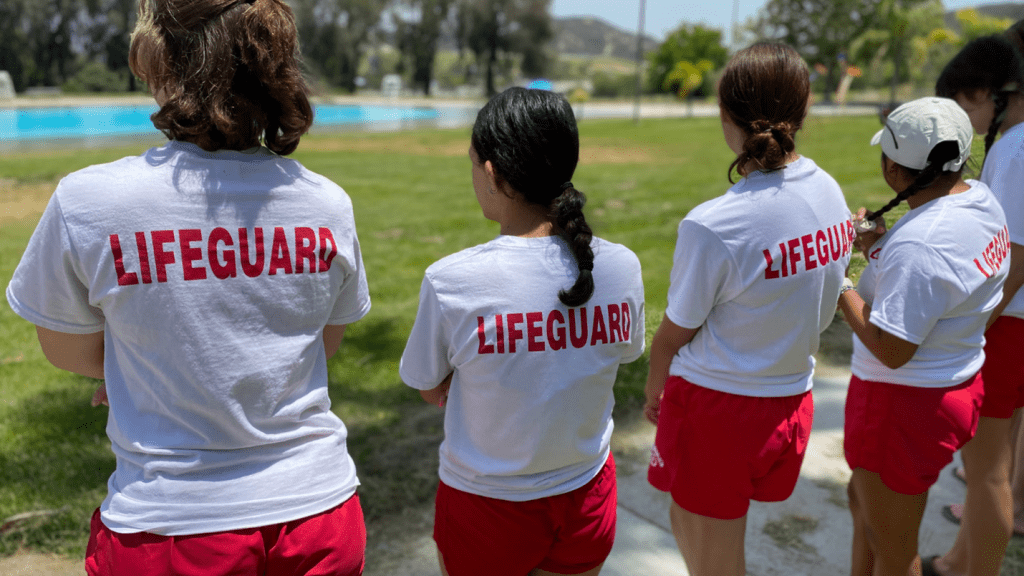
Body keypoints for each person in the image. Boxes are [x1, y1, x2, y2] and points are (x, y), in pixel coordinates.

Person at [5, 0, 371, 574]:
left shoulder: (91, 202)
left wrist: (144, 366)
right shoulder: (327, 204)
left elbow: (63, 347)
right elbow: (320, 343)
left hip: (174, 528)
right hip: (319, 514)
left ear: (160, 59)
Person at [398, 86, 645, 576]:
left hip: (487, 506)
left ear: (493, 172)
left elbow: (429, 386)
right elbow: (621, 353)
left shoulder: (452, 281)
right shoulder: (622, 267)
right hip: (586, 494)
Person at [644, 42, 853, 576]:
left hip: (721, 408)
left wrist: (655, 390)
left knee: (714, 557)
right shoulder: (829, 190)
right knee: (689, 525)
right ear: (803, 113)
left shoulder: (714, 223)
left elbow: (673, 334)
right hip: (787, 396)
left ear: (725, 115)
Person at [838, 97, 1008, 576]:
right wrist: (879, 247)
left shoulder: (921, 243)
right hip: (950, 387)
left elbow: (893, 349)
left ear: (893, 168)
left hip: (903, 404)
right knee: (864, 507)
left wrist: (840, 284)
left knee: (893, 548)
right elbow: (941, 284)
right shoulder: (979, 199)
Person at [923, 33, 1024, 576]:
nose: (962, 121)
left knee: (985, 470)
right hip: (1016, 323)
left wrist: (974, 329)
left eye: (962, 106)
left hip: (1008, 325)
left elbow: (1014, 256)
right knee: (998, 461)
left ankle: (974, 570)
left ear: (986, 93)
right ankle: (960, 559)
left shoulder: (1014, 148)